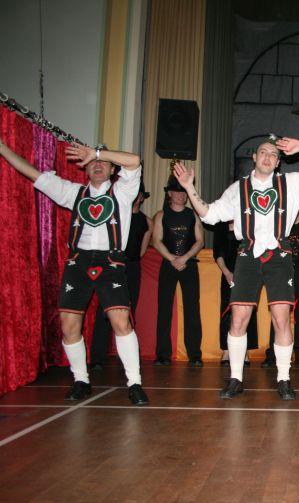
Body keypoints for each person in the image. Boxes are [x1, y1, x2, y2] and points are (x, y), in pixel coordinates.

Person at [172, 135, 299, 400]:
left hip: (279, 256)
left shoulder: (291, 183)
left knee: (281, 319)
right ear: (254, 158)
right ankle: (236, 378)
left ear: (278, 162)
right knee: (239, 318)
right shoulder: (238, 189)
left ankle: (284, 379)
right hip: (247, 256)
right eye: (263, 152)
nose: (268, 157)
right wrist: (189, 188)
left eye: (273, 154)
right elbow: (210, 215)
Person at [0, 138, 149, 405]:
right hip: (78, 262)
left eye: (103, 162)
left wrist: (96, 152)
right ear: (85, 168)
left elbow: (135, 160)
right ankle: (81, 380)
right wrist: (2, 148)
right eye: (92, 163)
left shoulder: (123, 191)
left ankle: (135, 383)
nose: (98, 165)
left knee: (121, 322)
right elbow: (33, 173)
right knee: (69, 326)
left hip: (111, 262)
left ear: (113, 168)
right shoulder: (73, 192)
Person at [89, 180, 153, 370]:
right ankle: (97, 358)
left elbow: (142, 250)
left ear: (141, 198)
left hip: (132, 267)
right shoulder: (115, 215)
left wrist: (132, 261)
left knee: (129, 310)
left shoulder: (147, 222)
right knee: (104, 310)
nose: (135, 197)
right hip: (112, 266)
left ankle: (125, 356)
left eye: (138, 194)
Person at [152, 176, 205, 366]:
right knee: (164, 309)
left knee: (192, 309)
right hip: (168, 265)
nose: (181, 195)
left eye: (183, 192)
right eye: (177, 191)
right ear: (169, 193)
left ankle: (195, 355)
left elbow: (200, 241)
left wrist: (185, 257)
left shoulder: (193, 215)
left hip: (189, 265)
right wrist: (172, 259)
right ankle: (163, 355)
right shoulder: (161, 215)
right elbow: (156, 240)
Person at [262, 209, 299, 367]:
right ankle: (272, 355)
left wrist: (297, 269)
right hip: (280, 274)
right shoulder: (278, 227)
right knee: (278, 313)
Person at [214, 221, 257, 367]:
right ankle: (226, 350)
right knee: (226, 311)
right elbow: (218, 252)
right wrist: (227, 273)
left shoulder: (249, 221)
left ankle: (245, 351)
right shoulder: (220, 226)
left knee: (248, 311)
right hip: (228, 274)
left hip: (249, 273)